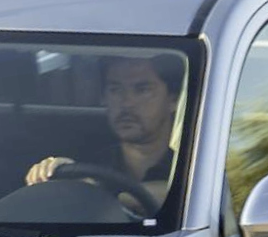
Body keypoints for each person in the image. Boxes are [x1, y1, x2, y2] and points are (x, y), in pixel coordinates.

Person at [24, 54, 182, 212]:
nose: (126, 103)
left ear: (174, 100)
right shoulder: (90, 164)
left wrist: (94, 193)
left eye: (142, 90)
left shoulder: (192, 163)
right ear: (104, 97)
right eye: (115, 90)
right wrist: (51, 175)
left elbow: (185, 195)